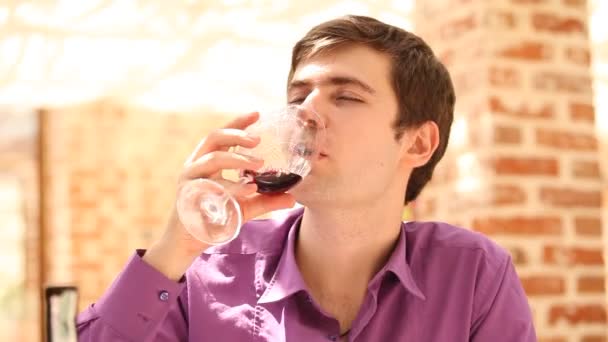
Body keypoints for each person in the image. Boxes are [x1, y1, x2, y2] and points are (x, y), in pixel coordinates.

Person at [76, 15, 536, 341]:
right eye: (299, 96)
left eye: (347, 97)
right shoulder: (203, 269)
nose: (307, 112)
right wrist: (175, 246)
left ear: (416, 143)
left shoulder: (474, 274)